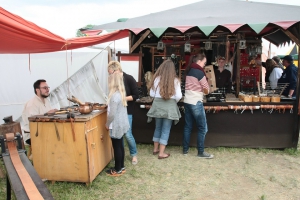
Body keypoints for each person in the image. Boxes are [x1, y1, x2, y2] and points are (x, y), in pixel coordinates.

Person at [147, 60, 182, 159]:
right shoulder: (175, 80)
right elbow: (179, 96)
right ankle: (161, 153)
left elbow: (151, 94)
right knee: (165, 129)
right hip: (169, 106)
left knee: (158, 127)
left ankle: (155, 149)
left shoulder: (156, 79)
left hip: (157, 106)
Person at [107, 61, 139, 165]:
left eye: (111, 73)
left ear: (117, 70)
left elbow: (136, 95)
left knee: (128, 134)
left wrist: (121, 98)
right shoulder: (114, 80)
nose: (110, 75)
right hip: (118, 112)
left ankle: (134, 155)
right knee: (118, 136)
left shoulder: (129, 78)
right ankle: (120, 158)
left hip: (127, 111)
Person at [183, 53, 213, 159]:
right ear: (199, 61)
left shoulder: (189, 71)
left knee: (188, 127)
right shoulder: (200, 73)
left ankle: (185, 150)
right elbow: (206, 90)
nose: (204, 65)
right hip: (196, 102)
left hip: (187, 101)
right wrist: (206, 88)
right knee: (203, 128)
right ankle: (200, 152)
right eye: (204, 63)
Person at [105, 73, 130, 176]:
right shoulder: (120, 93)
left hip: (116, 125)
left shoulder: (114, 96)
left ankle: (117, 169)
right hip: (122, 123)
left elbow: (112, 114)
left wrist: (107, 124)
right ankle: (121, 166)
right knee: (120, 145)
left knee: (117, 147)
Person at [22, 79, 57, 146]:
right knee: (57, 139)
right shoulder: (32, 104)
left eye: (48, 87)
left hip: (45, 130)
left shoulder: (46, 100)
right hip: (33, 134)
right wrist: (47, 114)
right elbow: (32, 120)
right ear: (37, 90)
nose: (47, 89)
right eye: (44, 88)